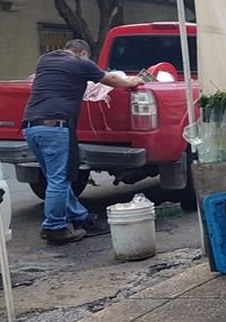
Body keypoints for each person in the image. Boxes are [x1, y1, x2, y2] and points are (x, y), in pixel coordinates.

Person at [23, 39, 144, 245]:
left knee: (55, 177)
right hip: (55, 127)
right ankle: (55, 228)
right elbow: (112, 80)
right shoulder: (81, 64)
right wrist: (133, 82)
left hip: (31, 127)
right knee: (59, 180)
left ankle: (80, 217)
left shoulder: (45, 60)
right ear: (83, 54)